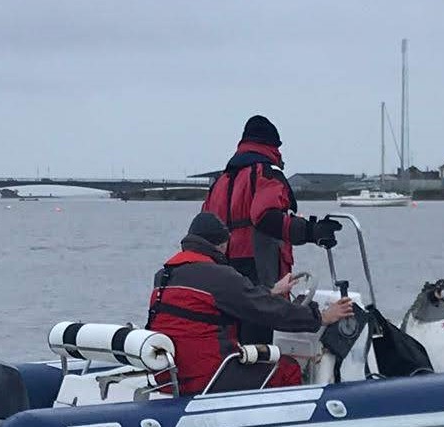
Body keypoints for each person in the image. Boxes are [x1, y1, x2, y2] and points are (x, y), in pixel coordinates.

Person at [147, 213, 354, 393]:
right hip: (209, 377)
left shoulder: (164, 275)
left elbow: (240, 300)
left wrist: (272, 290)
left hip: (169, 377)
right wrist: (321, 317)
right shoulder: (219, 276)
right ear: (221, 244)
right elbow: (269, 311)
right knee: (287, 368)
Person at [200, 114, 343, 289]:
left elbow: (203, 228)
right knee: (269, 311)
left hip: (222, 278)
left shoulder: (219, 182)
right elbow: (265, 217)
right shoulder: (266, 173)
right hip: (260, 273)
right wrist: (312, 231)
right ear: (272, 146)